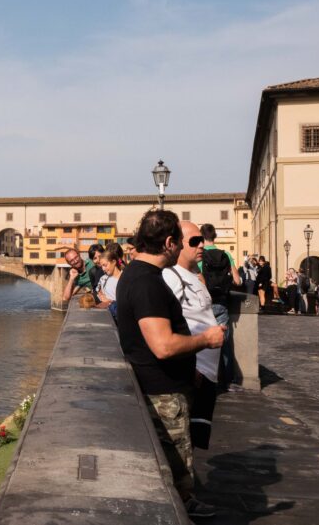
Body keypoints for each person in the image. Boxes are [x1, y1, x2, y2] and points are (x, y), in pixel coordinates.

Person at [116, 209, 224, 518]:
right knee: (174, 469)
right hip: (163, 392)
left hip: (166, 384)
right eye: (180, 240)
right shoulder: (147, 284)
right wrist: (207, 340)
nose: (182, 246)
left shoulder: (136, 275)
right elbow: (162, 346)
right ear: (168, 243)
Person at [162, 222, 227, 451]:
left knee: (196, 441)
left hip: (206, 375)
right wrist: (189, 366)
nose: (201, 245)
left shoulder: (193, 276)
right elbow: (167, 323)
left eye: (201, 240)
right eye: (194, 241)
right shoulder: (172, 277)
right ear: (178, 244)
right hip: (193, 374)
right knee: (184, 444)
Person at [197, 223, 240, 388]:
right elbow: (237, 281)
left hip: (204, 304)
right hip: (221, 303)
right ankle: (229, 380)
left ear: (201, 237)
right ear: (215, 237)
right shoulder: (226, 255)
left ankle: (205, 379)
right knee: (224, 343)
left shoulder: (200, 255)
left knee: (201, 342)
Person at [96, 244, 125, 313]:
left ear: (114, 262)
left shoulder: (125, 279)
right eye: (102, 266)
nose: (103, 269)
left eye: (105, 265)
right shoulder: (103, 278)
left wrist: (109, 301)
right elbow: (99, 293)